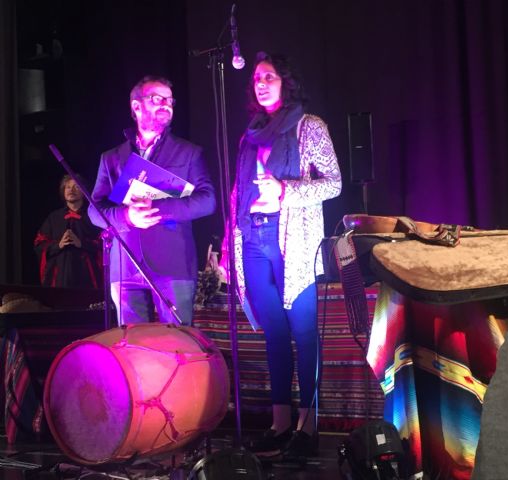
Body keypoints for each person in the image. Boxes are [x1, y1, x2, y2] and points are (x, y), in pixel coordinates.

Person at [220, 52, 342, 459]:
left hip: (294, 240)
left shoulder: (310, 126)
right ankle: (280, 424)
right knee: (274, 332)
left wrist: (286, 192)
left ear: (285, 82)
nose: (260, 82)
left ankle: (307, 428)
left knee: (303, 332)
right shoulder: (250, 134)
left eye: (269, 76)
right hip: (252, 238)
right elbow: (238, 193)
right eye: (256, 77)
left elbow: (334, 183)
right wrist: (229, 243)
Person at [89, 75, 215, 326]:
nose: (166, 105)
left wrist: (158, 209)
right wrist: (126, 216)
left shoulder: (189, 152)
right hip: (125, 264)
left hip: (173, 264)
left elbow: (208, 200)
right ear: (136, 106)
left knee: (176, 342)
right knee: (133, 344)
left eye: (170, 100)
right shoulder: (111, 157)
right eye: (158, 99)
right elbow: (95, 210)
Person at [34, 175, 103, 289]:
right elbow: (39, 243)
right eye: (68, 187)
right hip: (60, 278)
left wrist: (81, 243)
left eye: (76, 187)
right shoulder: (54, 217)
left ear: (83, 192)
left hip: (87, 278)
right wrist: (58, 245)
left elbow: (104, 243)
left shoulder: (93, 216)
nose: (71, 190)